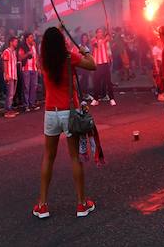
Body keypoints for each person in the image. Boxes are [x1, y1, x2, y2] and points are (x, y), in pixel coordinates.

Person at [33, 26, 97, 220]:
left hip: (50, 112)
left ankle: (42, 205)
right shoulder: (69, 57)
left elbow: (49, 48)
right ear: (62, 42)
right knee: (75, 158)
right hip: (69, 111)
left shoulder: (43, 60)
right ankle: (81, 203)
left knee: (48, 157)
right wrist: (85, 50)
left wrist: (57, 33)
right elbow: (92, 64)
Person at [91, 28, 115, 106]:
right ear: (96, 33)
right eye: (99, 32)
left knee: (108, 82)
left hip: (105, 63)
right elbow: (97, 45)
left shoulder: (106, 41)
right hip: (97, 64)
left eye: (101, 32)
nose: (100, 33)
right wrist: (105, 39)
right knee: (96, 82)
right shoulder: (93, 40)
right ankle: (95, 99)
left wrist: (109, 36)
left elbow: (109, 50)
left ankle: (112, 98)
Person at [20, 32, 40, 111]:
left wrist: (38, 67)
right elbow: (20, 58)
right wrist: (27, 53)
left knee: (34, 87)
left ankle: (32, 103)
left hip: (34, 69)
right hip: (26, 69)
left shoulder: (34, 46)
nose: (33, 39)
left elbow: (36, 57)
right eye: (31, 37)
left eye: (32, 37)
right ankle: (26, 105)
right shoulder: (23, 47)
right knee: (26, 87)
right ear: (27, 39)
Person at [2, 36, 20, 117]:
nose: (17, 43)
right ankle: (7, 111)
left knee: (12, 94)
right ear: (11, 42)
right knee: (9, 94)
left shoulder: (14, 52)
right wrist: (6, 74)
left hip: (14, 75)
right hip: (9, 75)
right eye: (15, 42)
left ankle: (10, 108)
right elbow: (5, 63)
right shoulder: (7, 51)